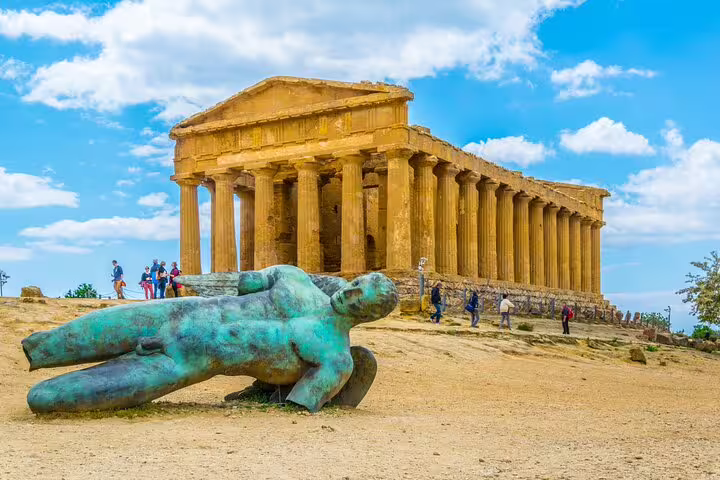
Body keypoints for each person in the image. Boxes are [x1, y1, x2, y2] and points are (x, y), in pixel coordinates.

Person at [22, 267, 399, 413]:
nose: (347, 294)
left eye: (357, 298)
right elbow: (250, 281)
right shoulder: (297, 279)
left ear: (368, 316)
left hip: (188, 362)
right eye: (354, 285)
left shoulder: (336, 359)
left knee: (44, 399)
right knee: (49, 343)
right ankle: (39, 350)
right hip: (179, 313)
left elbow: (300, 402)